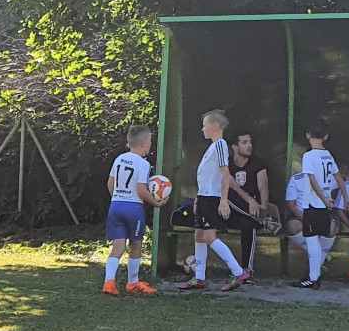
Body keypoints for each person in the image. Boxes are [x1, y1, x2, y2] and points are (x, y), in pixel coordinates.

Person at [178, 109, 250, 292]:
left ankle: (239, 272)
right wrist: (198, 199)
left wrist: (223, 200)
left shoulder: (220, 145)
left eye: (205, 126)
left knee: (209, 236)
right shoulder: (212, 147)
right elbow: (207, 177)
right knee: (199, 235)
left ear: (215, 126)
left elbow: (225, 174)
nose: (203, 129)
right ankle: (199, 278)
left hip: (211, 198)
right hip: (204, 197)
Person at [100, 125, 165, 296]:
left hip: (116, 206)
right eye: (150, 142)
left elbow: (110, 183)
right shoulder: (143, 164)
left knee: (118, 247)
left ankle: (109, 282)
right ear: (143, 144)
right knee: (136, 244)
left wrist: (117, 198)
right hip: (133, 208)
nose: (150, 145)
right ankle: (133, 283)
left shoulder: (119, 159)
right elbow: (141, 190)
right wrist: (156, 203)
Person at [292, 123, 341, 289]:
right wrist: (346, 197)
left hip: (313, 204)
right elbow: (339, 178)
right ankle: (314, 275)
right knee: (317, 241)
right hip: (325, 206)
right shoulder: (328, 155)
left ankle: (313, 278)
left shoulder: (309, 156)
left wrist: (323, 198)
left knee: (312, 241)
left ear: (307, 135)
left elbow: (312, 180)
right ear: (326, 136)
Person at [228, 130, 271, 267]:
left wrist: (263, 207)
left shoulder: (258, 163)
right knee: (229, 197)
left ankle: (247, 269)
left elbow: (263, 187)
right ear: (235, 147)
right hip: (230, 212)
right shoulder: (226, 165)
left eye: (250, 142)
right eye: (244, 142)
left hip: (254, 214)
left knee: (248, 223)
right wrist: (250, 200)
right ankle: (266, 220)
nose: (249, 145)